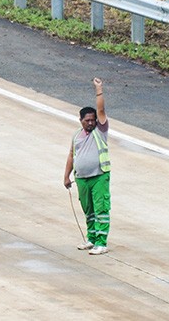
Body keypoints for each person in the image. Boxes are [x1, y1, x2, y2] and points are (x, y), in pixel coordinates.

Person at [64, 77, 112, 255]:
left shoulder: (101, 130)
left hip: (99, 176)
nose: (91, 123)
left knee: (101, 209)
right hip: (82, 178)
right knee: (88, 209)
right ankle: (92, 238)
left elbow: (101, 109)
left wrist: (99, 90)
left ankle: (102, 242)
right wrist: (66, 176)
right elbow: (71, 155)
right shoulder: (77, 135)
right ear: (80, 120)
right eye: (87, 120)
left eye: (93, 120)